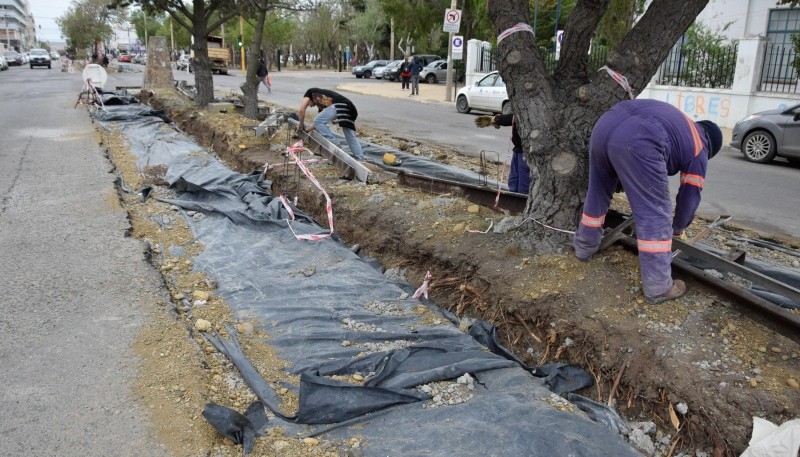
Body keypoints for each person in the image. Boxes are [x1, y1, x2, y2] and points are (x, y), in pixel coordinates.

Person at [573, 99, 723, 304]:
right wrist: (677, 228)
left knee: (598, 191)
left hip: (605, 125)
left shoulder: (683, 125)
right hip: (640, 136)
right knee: (655, 212)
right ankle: (659, 286)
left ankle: (584, 247)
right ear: (711, 146)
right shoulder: (700, 145)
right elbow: (689, 196)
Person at [296, 88, 364, 160]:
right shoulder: (322, 105)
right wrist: (306, 130)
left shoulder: (309, 92)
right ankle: (360, 157)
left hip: (340, 104)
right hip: (349, 108)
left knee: (317, 120)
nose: (310, 106)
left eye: (309, 104)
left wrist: (301, 125)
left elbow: (301, 110)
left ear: (309, 99)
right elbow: (317, 124)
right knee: (350, 136)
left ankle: (334, 143)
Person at [474, 113, 530, 194]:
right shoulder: (521, 107)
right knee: (514, 177)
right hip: (518, 149)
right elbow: (514, 117)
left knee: (523, 179)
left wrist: (496, 119)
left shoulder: (530, 109)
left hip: (526, 150)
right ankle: (513, 197)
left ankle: (522, 201)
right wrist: (496, 119)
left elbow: (517, 116)